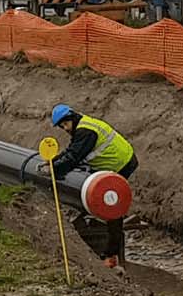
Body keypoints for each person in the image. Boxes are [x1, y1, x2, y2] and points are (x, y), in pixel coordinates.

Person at [47, 104, 137, 269]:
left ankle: (111, 254)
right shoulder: (82, 126)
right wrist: (54, 161)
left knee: (110, 203)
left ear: (71, 118)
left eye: (65, 124)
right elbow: (71, 151)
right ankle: (108, 244)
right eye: (61, 126)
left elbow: (74, 157)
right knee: (106, 200)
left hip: (121, 164)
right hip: (119, 160)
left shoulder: (85, 132)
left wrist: (54, 170)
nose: (65, 128)